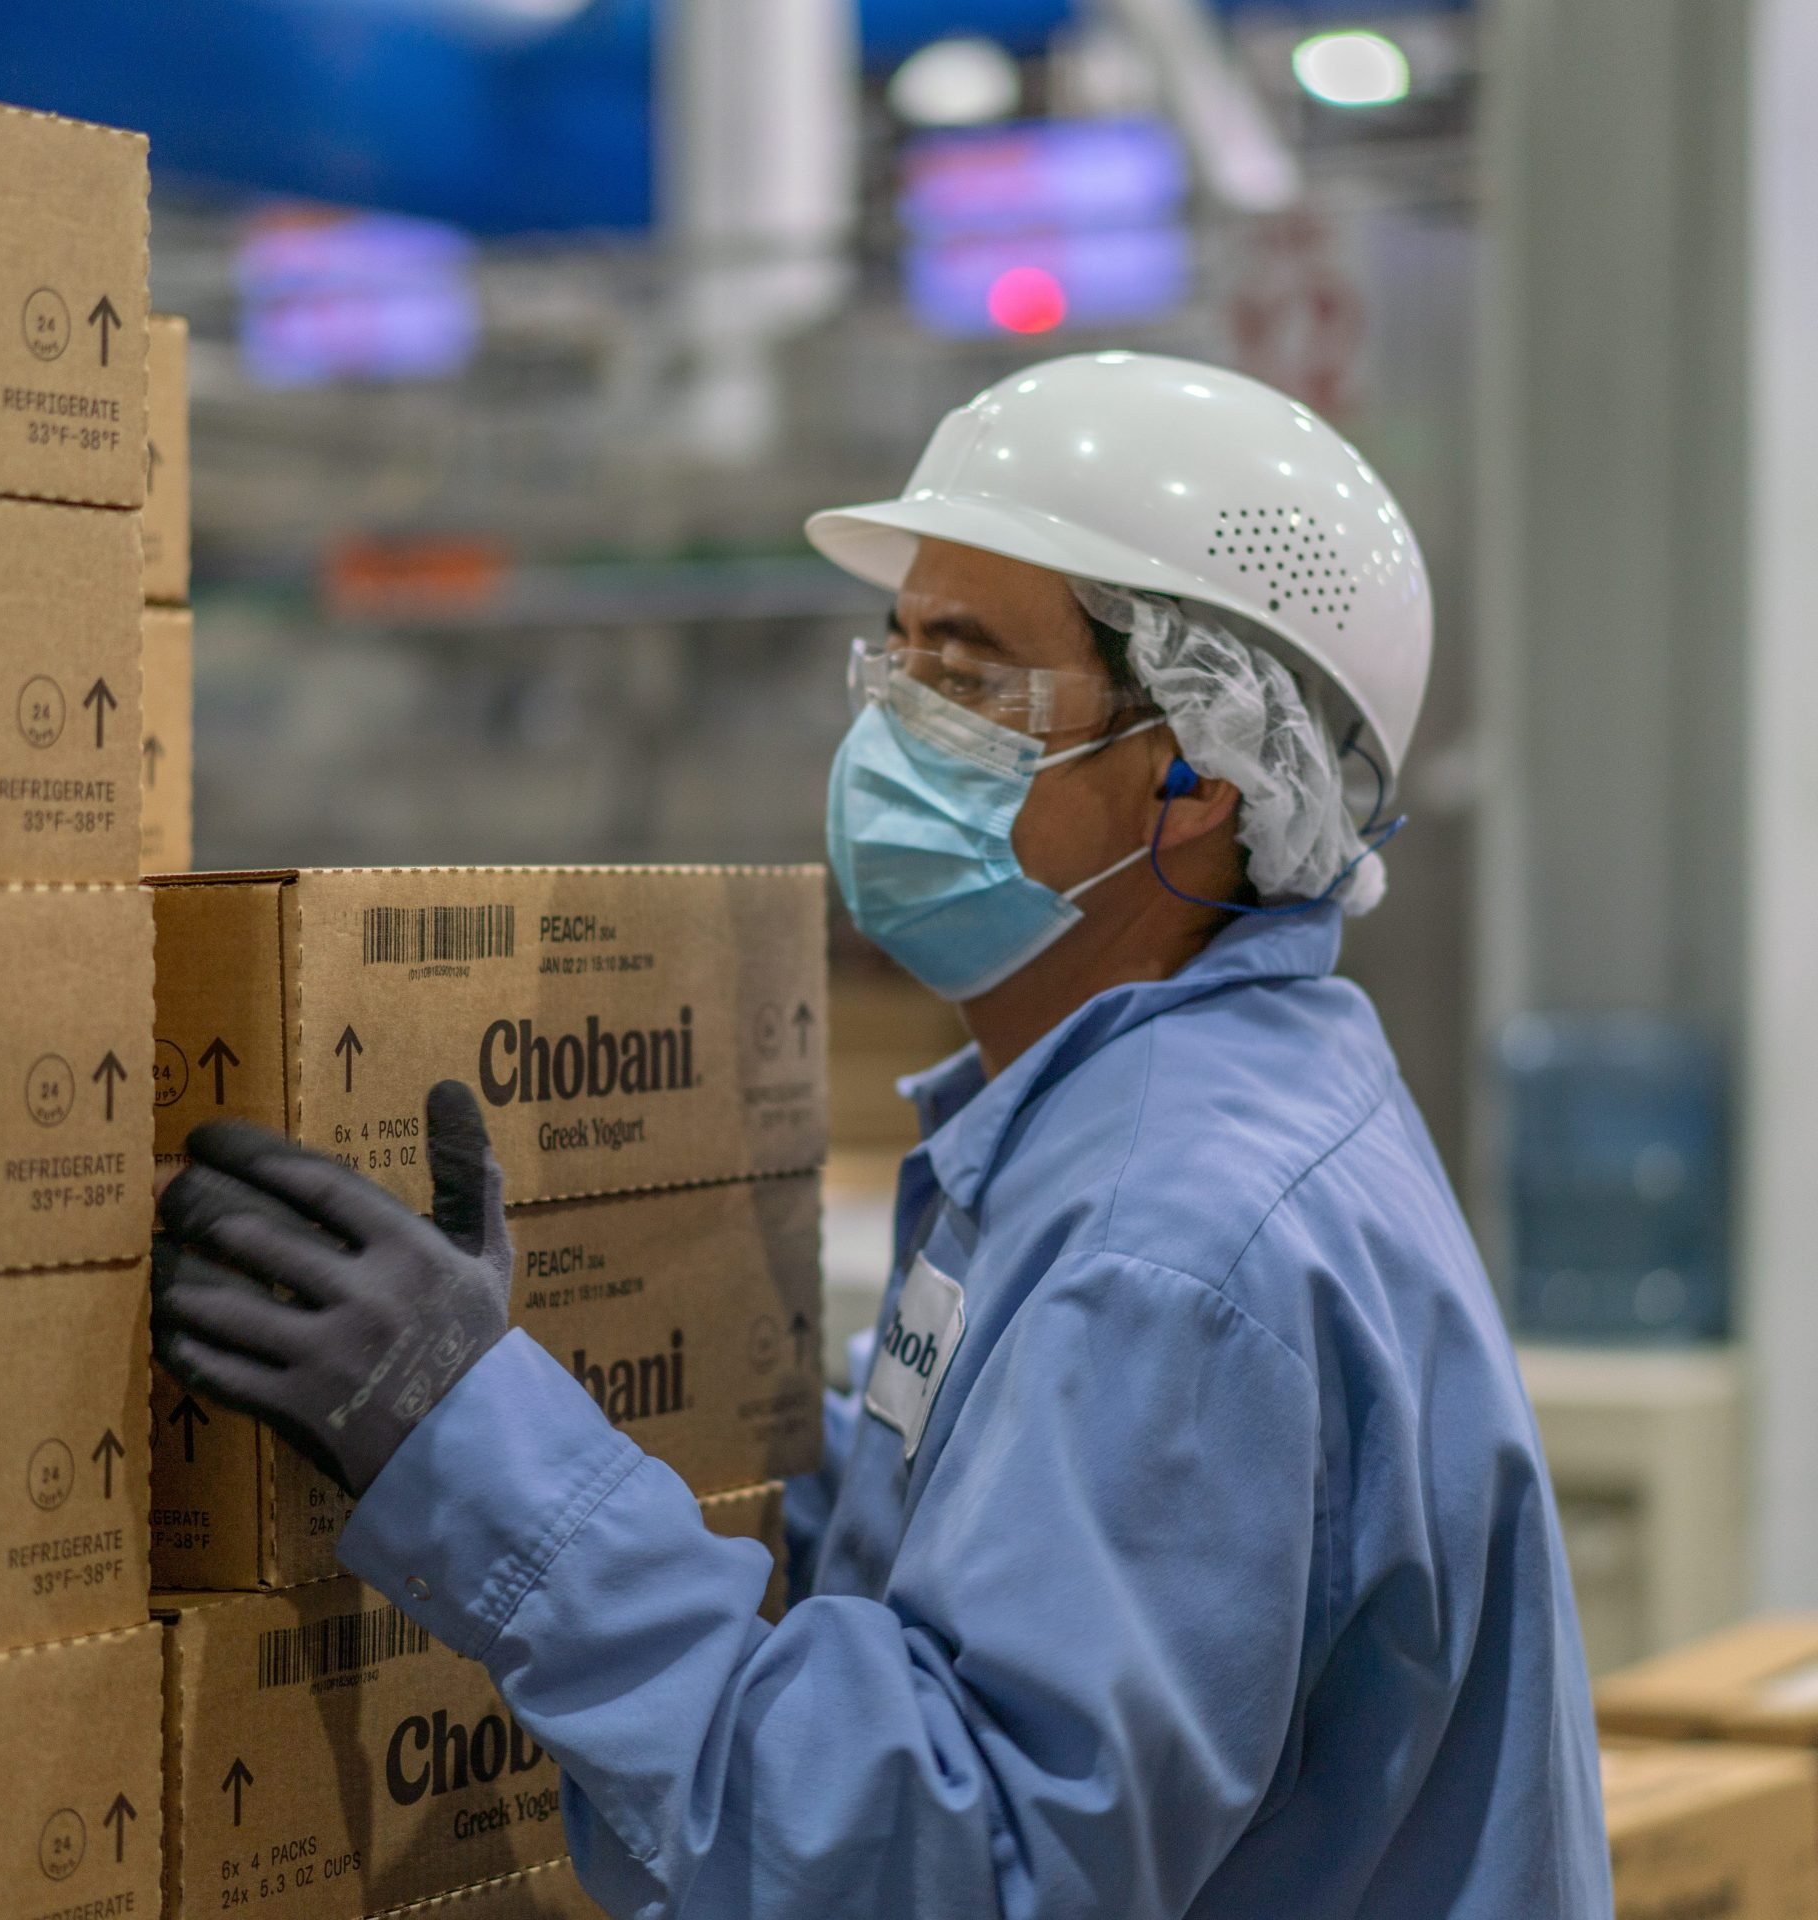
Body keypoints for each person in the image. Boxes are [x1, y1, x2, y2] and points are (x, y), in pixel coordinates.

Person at [152, 352, 1611, 1917]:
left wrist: (479, 1453)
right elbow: (946, 1551)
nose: (894, 728)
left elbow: (950, 1874)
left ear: (1199, 771)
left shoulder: (1171, 1240)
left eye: (971, 677)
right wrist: (504, 1383)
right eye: (898, 653)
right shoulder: (1130, 1115)